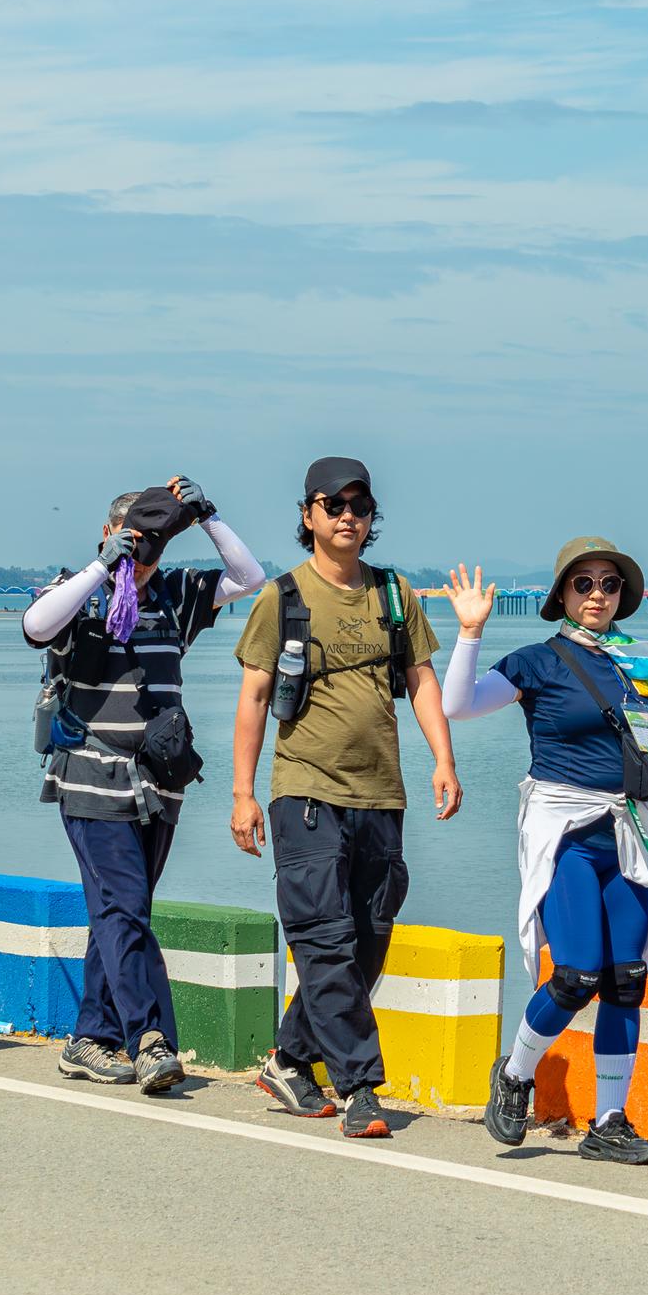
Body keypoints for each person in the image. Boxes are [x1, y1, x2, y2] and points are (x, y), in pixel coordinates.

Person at [232, 458, 460, 1139]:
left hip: (380, 793)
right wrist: (243, 794)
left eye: (359, 506)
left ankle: (288, 1057)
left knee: (368, 941)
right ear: (309, 515)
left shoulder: (394, 594)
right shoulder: (283, 596)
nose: (347, 517)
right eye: (333, 505)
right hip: (304, 790)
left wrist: (444, 758)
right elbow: (253, 696)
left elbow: (421, 681)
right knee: (324, 939)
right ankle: (361, 1084)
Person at [440, 538, 648, 1165]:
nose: (598, 593)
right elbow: (457, 706)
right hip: (567, 831)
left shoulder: (642, 666)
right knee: (575, 974)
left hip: (625, 829)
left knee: (626, 978)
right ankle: (516, 1074)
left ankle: (609, 1122)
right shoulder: (537, 662)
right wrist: (470, 633)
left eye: (609, 583)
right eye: (584, 584)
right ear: (562, 596)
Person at [22, 478, 265, 1092]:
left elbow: (249, 575)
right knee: (124, 907)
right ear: (108, 534)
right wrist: (103, 567)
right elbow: (36, 626)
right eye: (132, 537)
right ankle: (151, 1038)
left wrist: (206, 515)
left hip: (161, 784)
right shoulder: (79, 595)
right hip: (90, 779)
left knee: (121, 913)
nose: (142, 553)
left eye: (153, 542)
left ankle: (88, 1039)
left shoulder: (176, 596)